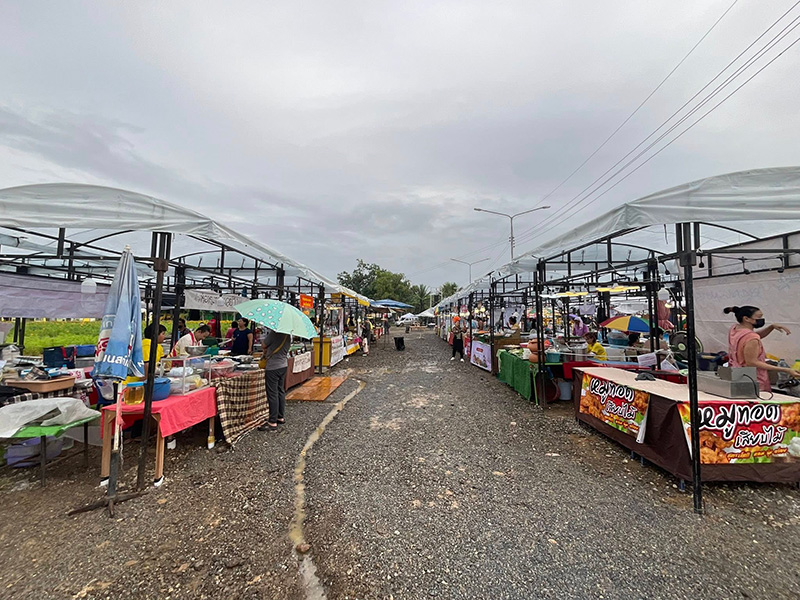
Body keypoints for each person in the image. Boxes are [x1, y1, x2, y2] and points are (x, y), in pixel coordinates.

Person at [724, 305, 800, 393]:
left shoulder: (735, 329)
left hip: (735, 374)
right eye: (759, 317)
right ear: (746, 318)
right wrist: (786, 370)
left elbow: (751, 337)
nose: (762, 319)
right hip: (752, 379)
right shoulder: (751, 338)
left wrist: (771, 327)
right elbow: (752, 362)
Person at [258, 329, 291, 432]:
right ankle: (280, 417)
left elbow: (264, 345)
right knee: (280, 391)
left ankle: (272, 421)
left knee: (272, 393)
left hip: (273, 366)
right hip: (283, 365)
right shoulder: (287, 335)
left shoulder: (274, 333)